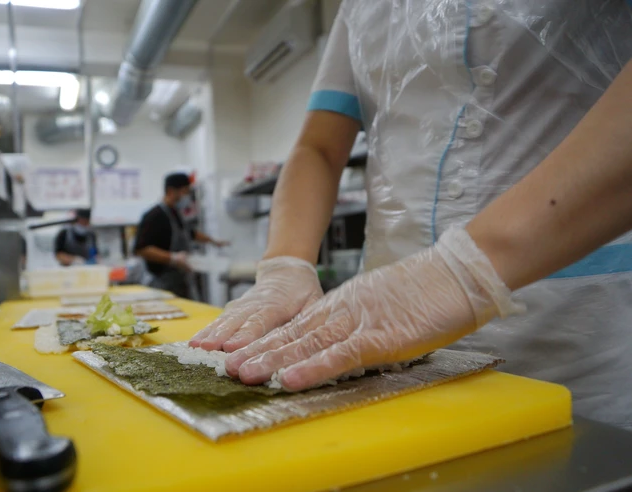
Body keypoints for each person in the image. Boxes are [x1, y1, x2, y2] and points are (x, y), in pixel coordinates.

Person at [191, 2, 632, 429]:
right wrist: (285, 264)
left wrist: (462, 273)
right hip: (378, 327)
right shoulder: (359, 7)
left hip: (567, 325)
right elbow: (318, 148)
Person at [134, 172, 228, 298]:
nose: (187, 197)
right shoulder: (154, 216)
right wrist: (173, 258)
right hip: (161, 282)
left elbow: (189, 233)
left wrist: (214, 241)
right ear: (171, 191)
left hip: (179, 279)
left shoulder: (176, 213)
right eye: (185, 192)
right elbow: (141, 249)